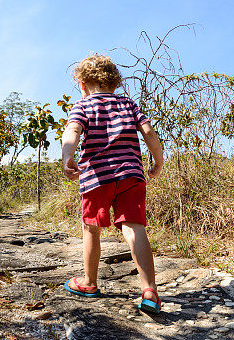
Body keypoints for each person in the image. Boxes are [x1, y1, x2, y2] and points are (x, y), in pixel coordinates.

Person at [60, 54, 165, 313]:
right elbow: (149, 132)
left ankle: (89, 282)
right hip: (131, 174)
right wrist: (158, 161)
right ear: (115, 83)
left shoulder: (82, 106)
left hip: (97, 177)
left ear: (82, 84)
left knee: (91, 229)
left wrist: (67, 157)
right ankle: (149, 290)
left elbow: (72, 131)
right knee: (134, 228)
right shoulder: (128, 103)